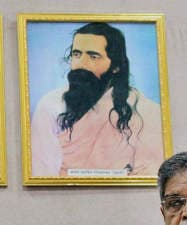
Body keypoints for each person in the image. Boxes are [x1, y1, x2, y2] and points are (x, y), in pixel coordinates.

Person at [31, 22, 164, 177]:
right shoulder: (50, 105)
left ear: (116, 66)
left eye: (93, 56)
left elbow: (150, 175)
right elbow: (42, 172)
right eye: (76, 54)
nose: (81, 64)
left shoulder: (146, 112)